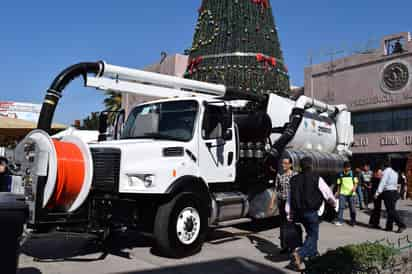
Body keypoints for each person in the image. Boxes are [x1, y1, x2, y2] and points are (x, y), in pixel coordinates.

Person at [286, 157, 337, 271]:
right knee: (313, 236)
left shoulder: (293, 179)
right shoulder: (316, 178)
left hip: (298, 213)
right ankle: (300, 253)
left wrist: (288, 212)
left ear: (300, 166)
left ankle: (313, 257)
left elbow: (289, 198)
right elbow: (327, 192)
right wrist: (333, 202)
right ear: (311, 166)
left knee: (310, 235)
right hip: (311, 212)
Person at [374, 160, 406, 233]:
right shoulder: (394, 172)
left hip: (388, 192)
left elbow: (382, 183)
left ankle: (401, 225)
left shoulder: (385, 172)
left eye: (382, 166)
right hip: (394, 192)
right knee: (391, 210)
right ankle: (389, 226)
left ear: (384, 166)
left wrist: (377, 193)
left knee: (391, 210)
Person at [274, 157, 297, 253]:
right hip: (282, 202)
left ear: (290, 165)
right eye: (283, 163)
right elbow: (276, 189)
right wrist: (272, 203)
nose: (283, 165)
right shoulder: (280, 175)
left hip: (291, 203)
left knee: (291, 224)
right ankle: (284, 246)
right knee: (283, 224)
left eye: (286, 163)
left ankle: (292, 245)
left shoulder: (295, 175)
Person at [335, 162, 358, 226]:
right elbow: (339, 184)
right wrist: (338, 192)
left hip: (351, 193)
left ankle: (353, 220)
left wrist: (354, 188)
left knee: (352, 208)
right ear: (344, 168)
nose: (348, 169)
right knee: (341, 207)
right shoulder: (340, 174)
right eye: (347, 167)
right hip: (342, 193)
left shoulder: (353, 173)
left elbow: (356, 183)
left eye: (349, 167)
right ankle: (340, 220)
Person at [369, 165, 384, 229]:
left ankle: (372, 221)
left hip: (376, 193)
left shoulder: (373, 177)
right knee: (377, 209)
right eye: (379, 173)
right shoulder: (375, 178)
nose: (381, 174)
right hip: (376, 194)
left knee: (376, 208)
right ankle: (375, 224)